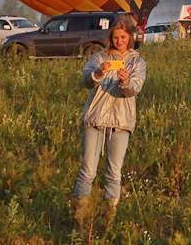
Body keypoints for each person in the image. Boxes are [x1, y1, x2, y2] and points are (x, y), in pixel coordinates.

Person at [73, 14, 144, 231]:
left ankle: (108, 220)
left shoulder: (137, 62)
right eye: (115, 37)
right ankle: (79, 219)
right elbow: (85, 81)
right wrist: (98, 73)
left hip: (121, 122)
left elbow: (135, 88)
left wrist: (125, 81)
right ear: (110, 38)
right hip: (96, 118)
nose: (119, 41)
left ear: (129, 38)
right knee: (88, 171)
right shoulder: (99, 57)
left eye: (123, 37)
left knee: (114, 172)